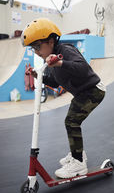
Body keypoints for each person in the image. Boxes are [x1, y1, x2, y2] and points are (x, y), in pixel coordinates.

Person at [21, 18, 106, 179]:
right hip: (82, 93)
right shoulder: (51, 61)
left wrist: (60, 62)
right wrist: (38, 76)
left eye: (38, 46)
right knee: (72, 121)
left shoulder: (65, 50)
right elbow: (55, 82)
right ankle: (78, 154)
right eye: (34, 49)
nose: (37, 52)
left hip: (93, 90)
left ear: (51, 41)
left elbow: (82, 67)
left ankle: (79, 164)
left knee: (71, 122)